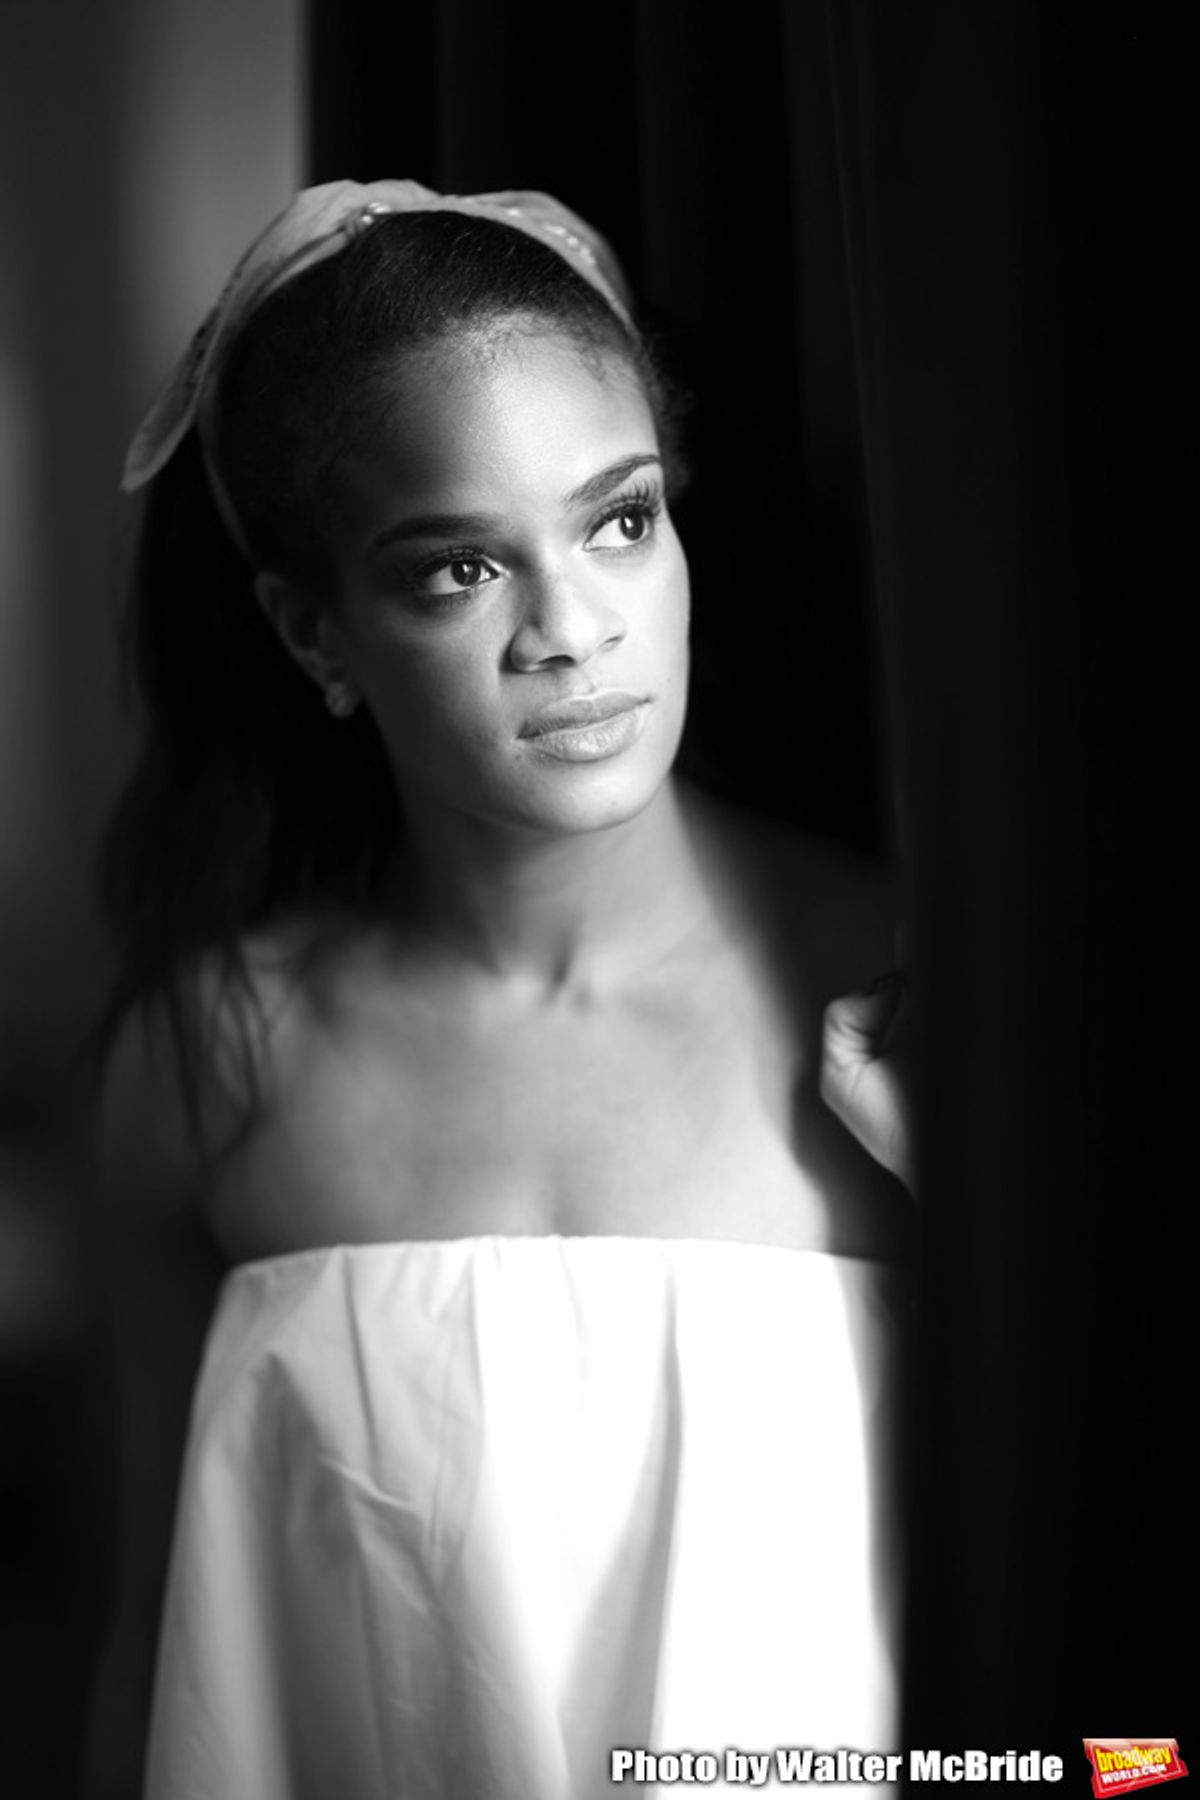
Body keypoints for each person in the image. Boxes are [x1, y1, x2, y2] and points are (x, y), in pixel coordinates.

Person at [84, 178, 914, 1800]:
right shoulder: (213, 1059)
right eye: (459, 570)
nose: (576, 630)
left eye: (620, 519)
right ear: (315, 635)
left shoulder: (917, 998)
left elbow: (1128, 1723)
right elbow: (156, 1655)